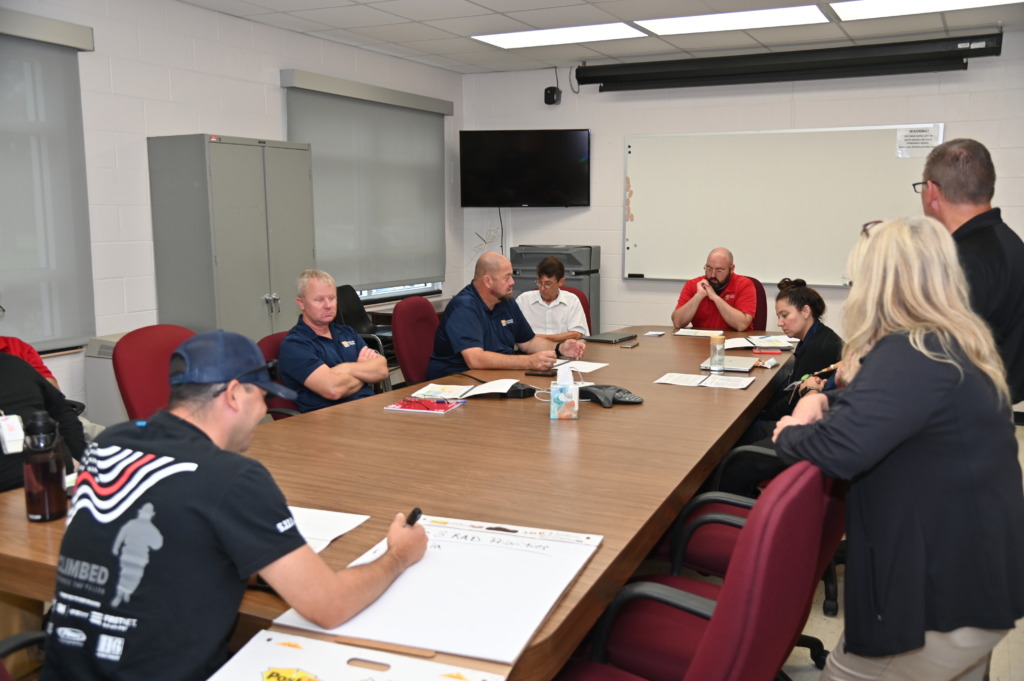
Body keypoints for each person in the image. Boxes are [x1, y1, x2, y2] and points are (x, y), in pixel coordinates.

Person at [42, 330, 427, 681]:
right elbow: (329, 605)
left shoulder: (110, 443)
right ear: (233, 394)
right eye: (261, 397)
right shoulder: (232, 476)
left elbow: (174, 531)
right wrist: (398, 554)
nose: (263, 412)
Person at [773, 217, 1024, 681]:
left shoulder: (911, 351)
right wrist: (826, 396)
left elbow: (839, 448)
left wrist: (787, 431)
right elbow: (893, 405)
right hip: (977, 580)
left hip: (937, 599)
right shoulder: (953, 339)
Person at [918, 138, 1024, 405]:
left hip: (955, 412)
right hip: (993, 409)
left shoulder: (959, 261)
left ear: (931, 191)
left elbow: (934, 353)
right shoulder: (1011, 244)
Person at [718, 278, 844, 495]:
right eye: (779, 316)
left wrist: (760, 412)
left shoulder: (819, 348)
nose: (779, 323)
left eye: (785, 315)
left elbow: (793, 401)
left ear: (805, 311)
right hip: (804, 424)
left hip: (802, 430)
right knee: (736, 435)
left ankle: (730, 504)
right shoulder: (816, 337)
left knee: (734, 451)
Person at [427, 252, 586, 380]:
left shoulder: (505, 301)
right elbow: (475, 359)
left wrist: (559, 348)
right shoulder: (464, 307)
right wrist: (528, 362)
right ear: (488, 281)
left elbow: (529, 342)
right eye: (507, 277)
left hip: (497, 377)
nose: (512, 282)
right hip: (456, 381)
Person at [279, 269, 389, 412]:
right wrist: (363, 372)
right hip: (330, 421)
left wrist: (347, 368)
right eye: (319, 300)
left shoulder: (347, 332)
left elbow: (382, 370)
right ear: (301, 303)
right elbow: (334, 389)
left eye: (332, 298)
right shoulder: (295, 345)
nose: (328, 305)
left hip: (368, 410)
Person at [0, 353, 85, 492]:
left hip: (61, 480)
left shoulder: (13, 364)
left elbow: (62, 411)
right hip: (9, 492)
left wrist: (77, 457)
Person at [671, 247, 757, 331]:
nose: (712, 275)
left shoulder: (744, 285)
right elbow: (677, 323)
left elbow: (741, 325)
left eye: (719, 271)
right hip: (701, 342)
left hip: (735, 342)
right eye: (709, 269)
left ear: (731, 269)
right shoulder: (693, 285)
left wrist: (715, 297)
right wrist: (698, 296)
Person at [515, 256, 590, 342]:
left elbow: (577, 334)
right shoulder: (523, 300)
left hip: (563, 352)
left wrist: (537, 338)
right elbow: (512, 331)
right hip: (530, 353)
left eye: (548, 284)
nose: (542, 288)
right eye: (539, 282)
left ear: (561, 282)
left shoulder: (572, 300)